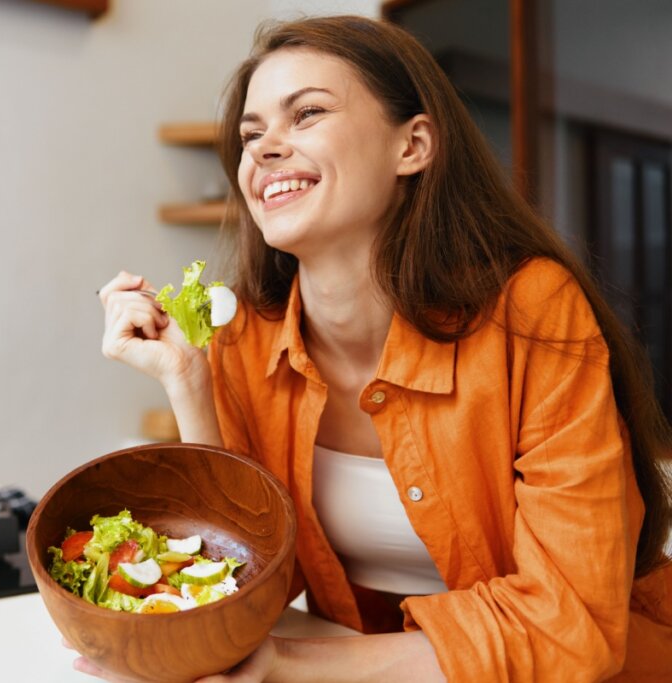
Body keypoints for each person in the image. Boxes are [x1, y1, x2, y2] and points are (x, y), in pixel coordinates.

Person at [93, 15, 672, 682]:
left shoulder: (532, 311)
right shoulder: (245, 334)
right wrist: (189, 385)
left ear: (414, 146)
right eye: (251, 136)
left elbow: (572, 625)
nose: (263, 151)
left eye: (306, 113)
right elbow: (252, 586)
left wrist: (294, 665)